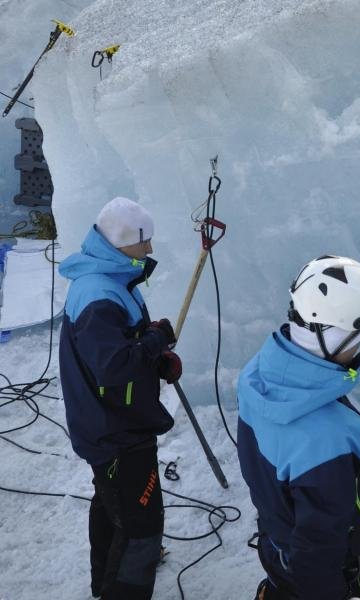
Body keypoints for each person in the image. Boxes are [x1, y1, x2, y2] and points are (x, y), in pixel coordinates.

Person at [237, 255, 360, 600]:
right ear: (331, 335)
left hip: (277, 537)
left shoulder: (260, 374)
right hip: (334, 565)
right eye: (359, 333)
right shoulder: (327, 438)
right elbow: (319, 546)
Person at [59, 196, 182, 599]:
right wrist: (154, 340)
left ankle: (104, 583)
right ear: (121, 242)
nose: (149, 250)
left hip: (110, 420)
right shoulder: (98, 295)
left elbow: (117, 354)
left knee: (112, 504)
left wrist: (155, 358)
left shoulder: (108, 280)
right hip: (116, 430)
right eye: (144, 242)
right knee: (142, 524)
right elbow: (113, 366)